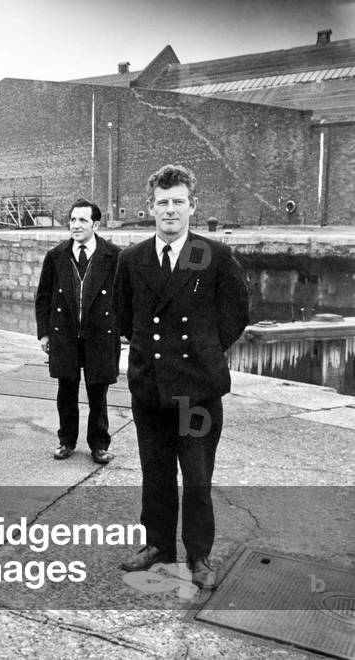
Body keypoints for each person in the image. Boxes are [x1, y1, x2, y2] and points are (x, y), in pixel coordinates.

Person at [113, 165, 249, 589]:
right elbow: (122, 316)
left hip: (197, 393)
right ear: (149, 207)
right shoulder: (131, 258)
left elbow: (235, 316)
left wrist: (204, 353)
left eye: (177, 202)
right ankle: (158, 546)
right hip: (150, 388)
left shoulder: (213, 255)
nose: (169, 210)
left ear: (193, 205)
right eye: (162, 202)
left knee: (196, 476)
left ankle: (199, 555)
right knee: (155, 472)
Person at [34, 199, 120, 464]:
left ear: (95, 224)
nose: (76, 225)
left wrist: (122, 330)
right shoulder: (56, 255)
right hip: (65, 335)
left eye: (82, 220)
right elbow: (44, 297)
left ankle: (99, 445)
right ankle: (66, 441)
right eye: (72, 220)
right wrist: (44, 333)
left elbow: (125, 297)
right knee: (66, 391)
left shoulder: (114, 256)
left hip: (100, 335)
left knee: (98, 393)